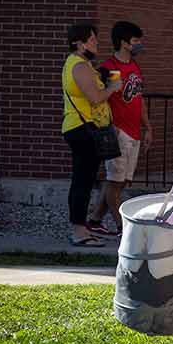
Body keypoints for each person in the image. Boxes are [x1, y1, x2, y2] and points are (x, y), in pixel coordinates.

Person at [87, 21, 153, 236]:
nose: (139, 45)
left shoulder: (134, 67)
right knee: (114, 180)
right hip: (117, 131)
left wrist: (148, 127)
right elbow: (98, 100)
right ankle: (123, 227)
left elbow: (138, 99)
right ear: (124, 43)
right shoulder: (109, 68)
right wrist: (108, 126)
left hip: (134, 130)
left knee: (121, 181)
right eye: (135, 41)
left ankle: (95, 219)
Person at [61, 23, 122, 247]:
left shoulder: (84, 65)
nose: (96, 43)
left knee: (85, 180)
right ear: (80, 43)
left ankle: (82, 229)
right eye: (93, 40)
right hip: (82, 129)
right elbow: (96, 98)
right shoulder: (78, 66)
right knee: (82, 181)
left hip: (86, 129)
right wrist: (113, 88)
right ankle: (79, 232)